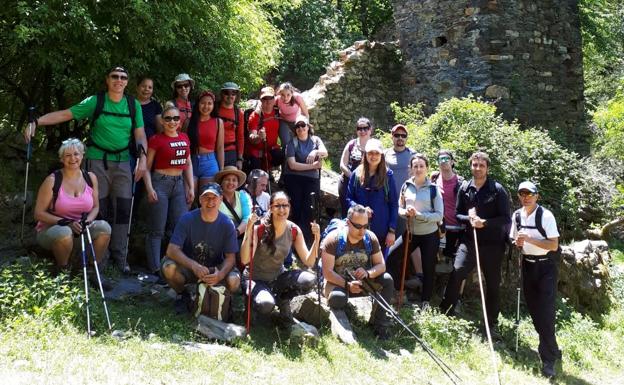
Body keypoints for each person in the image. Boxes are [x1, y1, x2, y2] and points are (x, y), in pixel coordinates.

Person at [25, 66, 147, 274]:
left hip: (124, 161)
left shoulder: (133, 104)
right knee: (102, 208)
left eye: (123, 77)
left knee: (124, 210)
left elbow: (140, 134)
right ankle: (101, 258)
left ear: (127, 82)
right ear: (107, 79)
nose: (119, 80)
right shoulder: (95, 101)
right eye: (115, 76)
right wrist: (36, 122)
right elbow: (66, 114)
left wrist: (142, 158)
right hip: (97, 160)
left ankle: (120, 255)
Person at [440, 151, 511, 337]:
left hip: (493, 245)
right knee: (457, 273)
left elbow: (505, 218)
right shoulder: (464, 188)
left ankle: (491, 323)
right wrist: (469, 219)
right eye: (475, 165)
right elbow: (457, 214)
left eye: (481, 165)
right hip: (469, 241)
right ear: (470, 166)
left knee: (493, 284)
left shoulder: (497, 189)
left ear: (487, 168)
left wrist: (484, 222)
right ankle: (445, 313)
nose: (477, 168)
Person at [33, 138, 112, 285]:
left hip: (82, 228)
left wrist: (88, 221)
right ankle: (63, 271)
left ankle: (91, 270)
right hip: (52, 229)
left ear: (82, 155)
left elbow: (95, 207)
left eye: (76, 154)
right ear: (61, 158)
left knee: (104, 227)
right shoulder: (52, 180)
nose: (73, 158)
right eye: (68, 155)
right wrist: (67, 222)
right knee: (64, 233)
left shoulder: (90, 177)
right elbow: (38, 213)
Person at [240, 191, 320, 327]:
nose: (282, 210)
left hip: (277, 277)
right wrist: (248, 230)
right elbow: (244, 259)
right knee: (266, 305)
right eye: (277, 206)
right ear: (271, 208)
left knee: (310, 280)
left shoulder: (293, 229)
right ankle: (252, 304)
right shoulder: (259, 228)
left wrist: (316, 239)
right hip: (254, 278)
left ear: (289, 207)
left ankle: (283, 300)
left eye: (285, 205)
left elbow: (309, 261)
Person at [162, 183, 240, 314]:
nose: (210, 201)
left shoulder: (227, 224)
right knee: (168, 268)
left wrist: (220, 274)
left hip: (215, 269)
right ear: (200, 200)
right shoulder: (187, 219)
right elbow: (171, 249)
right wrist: (194, 266)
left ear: (221, 199)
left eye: (214, 197)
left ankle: (223, 298)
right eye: (206, 197)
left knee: (234, 281)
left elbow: (231, 258)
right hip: (190, 267)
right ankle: (183, 294)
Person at [510, 181, 562, 378]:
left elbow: (554, 245)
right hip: (528, 266)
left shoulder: (546, 216)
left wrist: (529, 239)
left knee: (546, 312)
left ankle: (548, 361)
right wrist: (518, 242)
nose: (526, 197)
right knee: (534, 310)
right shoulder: (516, 216)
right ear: (519, 196)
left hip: (547, 267)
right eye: (522, 193)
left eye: (530, 194)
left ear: (536, 196)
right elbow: (514, 241)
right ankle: (554, 348)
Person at [321, 204, 394, 340]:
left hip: (363, 281)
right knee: (337, 298)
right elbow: (327, 272)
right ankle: (343, 322)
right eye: (358, 226)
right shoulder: (333, 239)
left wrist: (368, 273)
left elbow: (381, 265)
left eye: (365, 226)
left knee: (387, 280)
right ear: (348, 223)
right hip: (338, 282)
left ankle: (379, 323)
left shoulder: (370, 238)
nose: (362, 231)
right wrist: (347, 285)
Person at [143, 105, 194, 280]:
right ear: (162, 121)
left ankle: (176, 265)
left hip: (179, 184)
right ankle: (155, 268)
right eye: (168, 118)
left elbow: (187, 164)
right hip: (160, 183)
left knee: (180, 227)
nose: (172, 122)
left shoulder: (185, 138)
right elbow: (146, 168)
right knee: (157, 228)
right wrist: (149, 188)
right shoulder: (156, 139)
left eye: (175, 118)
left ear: (180, 121)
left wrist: (191, 187)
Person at [395, 154, 443, 309]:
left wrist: (419, 215)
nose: (418, 169)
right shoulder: (406, 186)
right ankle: (396, 291)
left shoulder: (434, 189)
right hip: (410, 233)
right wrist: (405, 213)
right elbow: (399, 208)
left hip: (430, 234)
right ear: (410, 169)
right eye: (415, 166)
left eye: (421, 166)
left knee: (429, 268)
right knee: (391, 258)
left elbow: (439, 215)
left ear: (427, 168)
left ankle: (425, 302)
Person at [346, 138, 398, 256]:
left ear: (381, 155)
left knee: (378, 263)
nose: (373, 156)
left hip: (381, 229)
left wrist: (392, 230)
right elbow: (349, 198)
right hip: (358, 229)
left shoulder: (388, 176)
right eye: (370, 153)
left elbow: (394, 204)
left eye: (376, 153)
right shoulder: (357, 174)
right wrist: (360, 209)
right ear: (365, 154)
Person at [281, 115, 328, 244]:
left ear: (308, 127)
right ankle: (295, 238)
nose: (301, 128)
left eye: (303, 125)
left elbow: (325, 152)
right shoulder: (292, 143)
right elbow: (292, 165)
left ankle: (307, 239)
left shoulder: (315, 140)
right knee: (296, 206)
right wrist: (312, 166)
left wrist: (315, 152)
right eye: (298, 126)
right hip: (294, 178)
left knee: (310, 207)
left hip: (311, 180)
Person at [430, 150, 464, 260]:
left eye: (447, 159)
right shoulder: (434, 180)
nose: (444, 161)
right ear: (438, 162)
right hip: (437, 229)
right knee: (436, 262)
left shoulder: (460, 182)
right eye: (441, 159)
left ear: (452, 162)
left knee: (453, 262)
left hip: (456, 229)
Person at [187, 90, 224, 189]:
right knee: (189, 199)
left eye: (209, 103)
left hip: (210, 162)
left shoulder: (218, 122)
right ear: (198, 104)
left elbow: (220, 147)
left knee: (206, 198)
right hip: (191, 161)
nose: (206, 106)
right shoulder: (188, 122)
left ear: (213, 105)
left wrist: (221, 169)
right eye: (203, 103)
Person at [384, 124, 417, 236]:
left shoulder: (413, 155)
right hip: (388, 200)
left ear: (407, 138)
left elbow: (421, 173)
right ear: (392, 137)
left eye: (403, 135)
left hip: (405, 202)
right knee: (387, 233)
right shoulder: (385, 154)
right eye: (397, 135)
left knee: (404, 236)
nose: (400, 138)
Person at [339, 117, 373, 218]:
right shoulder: (351, 144)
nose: (362, 131)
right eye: (359, 128)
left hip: (368, 185)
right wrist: (354, 177)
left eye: (365, 128)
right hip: (348, 183)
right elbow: (342, 164)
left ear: (370, 130)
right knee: (348, 213)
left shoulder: (374, 145)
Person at [245, 86, 283, 173]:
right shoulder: (255, 116)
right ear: (261, 100)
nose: (268, 101)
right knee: (256, 173)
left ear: (274, 99)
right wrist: (259, 137)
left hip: (271, 149)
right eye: (265, 98)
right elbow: (251, 138)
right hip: (256, 151)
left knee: (281, 155)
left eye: (270, 98)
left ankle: (269, 169)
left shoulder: (277, 112)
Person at [216, 166, 252, 239]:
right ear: (221, 182)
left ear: (237, 183)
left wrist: (237, 232)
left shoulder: (242, 195)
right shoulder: (215, 197)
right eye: (227, 179)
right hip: (220, 235)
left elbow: (247, 217)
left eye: (234, 180)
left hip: (240, 235)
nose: (231, 182)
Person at [217, 82, 245, 169]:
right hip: (213, 151)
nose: (230, 95)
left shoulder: (238, 113)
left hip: (230, 152)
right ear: (222, 94)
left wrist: (240, 158)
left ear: (237, 95)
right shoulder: (214, 109)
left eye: (233, 93)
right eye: (227, 93)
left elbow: (240, 136)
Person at [275, 82, 309, 150]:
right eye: (283, 95)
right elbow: (265, 104)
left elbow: (306, 113)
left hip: (296, 121)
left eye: (288, 95)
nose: (285, 98)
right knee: (285, 142)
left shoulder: (297, 98)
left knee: (299, 140)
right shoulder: (277, 100)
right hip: (283, 121)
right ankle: (286, 159)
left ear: (292, 93)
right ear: (279, 93)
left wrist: (307, 126)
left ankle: (299, 157)